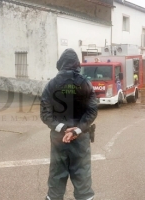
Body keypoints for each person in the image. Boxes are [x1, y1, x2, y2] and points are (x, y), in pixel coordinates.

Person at [40, 48, 98, 200]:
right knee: (83, 178)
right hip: (80, 138)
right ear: (77, 64)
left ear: (60, 64)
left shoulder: (51, 85)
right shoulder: (86, 84)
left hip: (59, 138)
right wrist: (76, 131)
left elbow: (45, 114)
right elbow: (92, 112)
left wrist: (64, 129)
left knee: (56, 177)